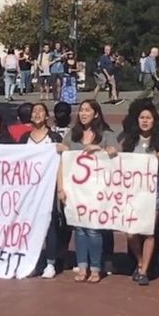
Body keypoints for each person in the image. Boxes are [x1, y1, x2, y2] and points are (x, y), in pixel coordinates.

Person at [57, 100, 119, 283]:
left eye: (87, 110)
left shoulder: (106, 134)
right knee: (79, 229)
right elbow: (63, 161)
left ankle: (96, 267)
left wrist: (99, 148)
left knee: (93, 230)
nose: (83, 114)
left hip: (97, 191)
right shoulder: (72, 135)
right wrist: (60, 187)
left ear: (96, 114)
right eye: (81, 110)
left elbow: (116, 152)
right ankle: (82, 266)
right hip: (76, 191)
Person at [119, 102, 159, 286]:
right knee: (131, 232)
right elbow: (113, 156)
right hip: (132, 190)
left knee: (149, 230)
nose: (145, 121)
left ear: (154, 120)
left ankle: (144, 270)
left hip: (155, 188)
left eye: (148, 118)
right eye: (142, 118)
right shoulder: (128, 139)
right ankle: (140, 261)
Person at [19, 103, 64, 278]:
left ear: (47, 116)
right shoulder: (24, 138)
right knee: (29, 224)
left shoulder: (54, 138)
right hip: (29, 189)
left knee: (51, 222)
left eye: (41, 111)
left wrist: (60, 187)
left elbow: (62, 159)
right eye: (34, 111)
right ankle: (33, 260)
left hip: (48, 188)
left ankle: (50, 262)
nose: (37, 114)